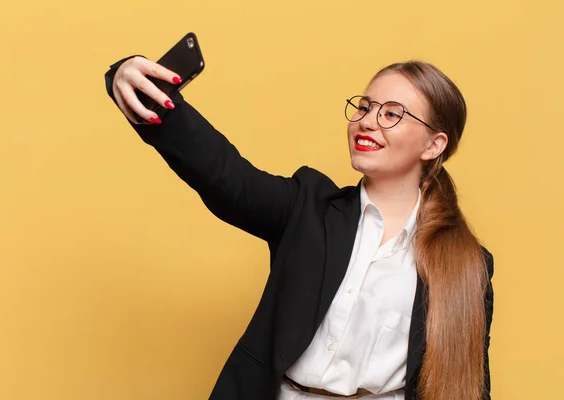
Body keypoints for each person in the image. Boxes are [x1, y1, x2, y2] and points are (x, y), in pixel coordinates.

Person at [104, 53, 494, 400]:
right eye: (364, 107)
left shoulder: (466, 264)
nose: (367, 122)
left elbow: (471, 384)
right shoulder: (307, 208)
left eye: (391, 114)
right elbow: (225, 177)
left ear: (433, 145)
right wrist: (139, 88)